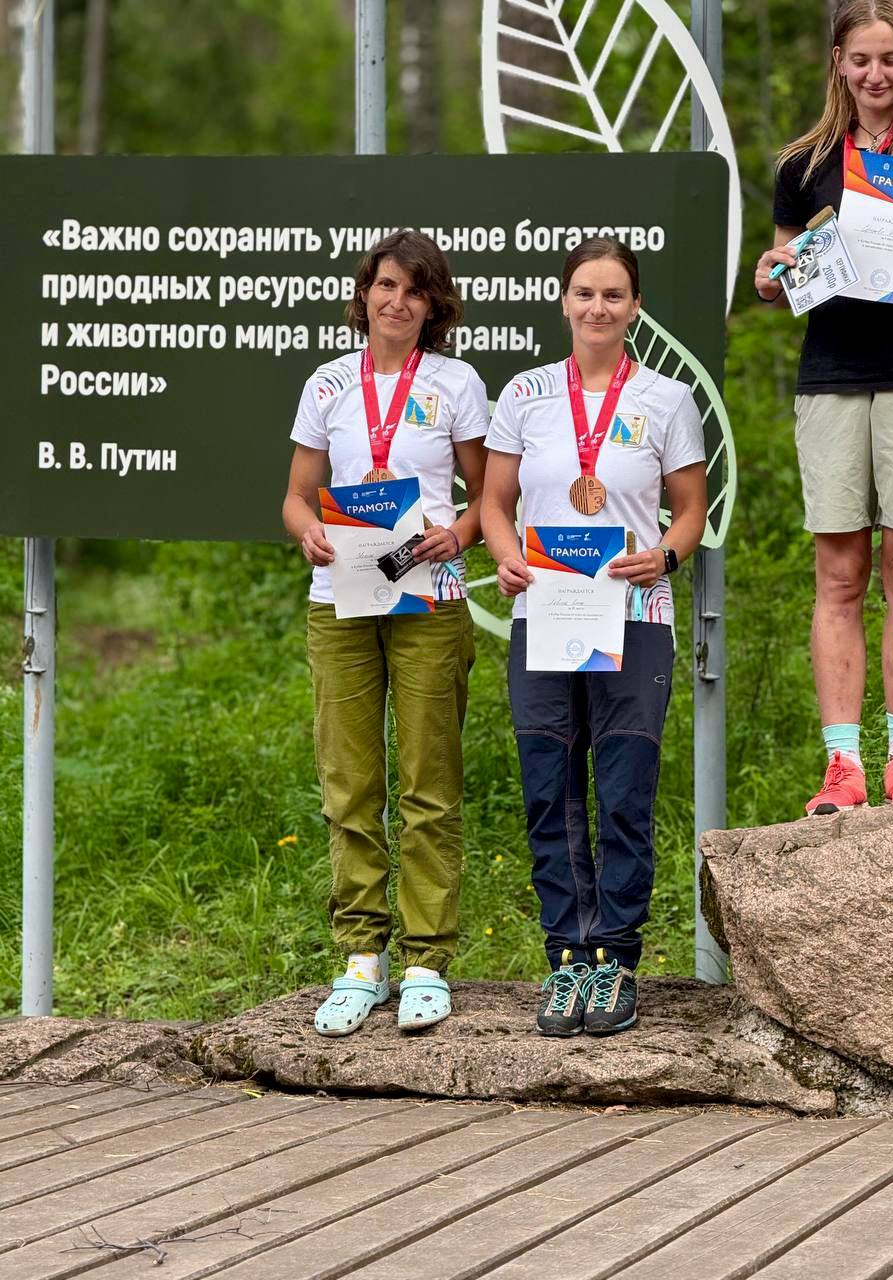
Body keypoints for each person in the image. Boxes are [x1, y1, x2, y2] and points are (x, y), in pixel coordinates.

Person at [481, 236, 707, 1037]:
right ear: (564, 302)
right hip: (543, 615)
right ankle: (566, 961)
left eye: (613, 295)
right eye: (584, 293)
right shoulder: (526, 394)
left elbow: (690, 510)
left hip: (634, 619)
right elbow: (494, 504)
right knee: (549, 789)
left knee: (623, 794)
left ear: (635, 307)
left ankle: (614, 958)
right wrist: (506, 558)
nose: (598, 308)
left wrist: (668, 554)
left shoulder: (669, 400)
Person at [755, 0, 893, 816]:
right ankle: (843, 769)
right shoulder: (803, 163)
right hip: (833, 375)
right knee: (838, 575)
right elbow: (780, 276)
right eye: (860, 59)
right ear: (836, 63)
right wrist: (771, 278)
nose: (876, 75)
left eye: (891, 59)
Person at [282, 230, 488, 1035]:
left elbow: (488, 495)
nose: (396, 302)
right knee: (349, 782)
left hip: (426, 595)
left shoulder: (456, 382)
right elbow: (298, 496)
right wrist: (308, 531)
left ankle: (428, 960)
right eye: (385, 286)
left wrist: (459, 535)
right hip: (340, 596)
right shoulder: (328, 383)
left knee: (429, 782)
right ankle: (360, 959)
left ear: (435, 305)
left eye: (415, 290)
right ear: (364, 293)